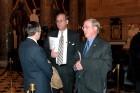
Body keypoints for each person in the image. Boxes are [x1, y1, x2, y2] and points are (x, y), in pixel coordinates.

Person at [44, 13, 81, 93]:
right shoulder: (51, 35)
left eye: (61, 20)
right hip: (54, 69)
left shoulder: (75, 36)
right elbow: (45, 50)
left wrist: (73, 66)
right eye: (57, 21)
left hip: (68, 69)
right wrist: (50, 54)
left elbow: (78, 52)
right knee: (54, 91)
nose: (59, 23)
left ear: (67, 22)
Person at [74, 19, 112, 93]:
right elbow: (75, 59)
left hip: (94, 86)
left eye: (86, 27)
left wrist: (84, 63)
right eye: (83, 27)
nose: (84, 29)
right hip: (80, 85)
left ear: (95, 28)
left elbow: (107, 66)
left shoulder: (104, 45)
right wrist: (75, 66)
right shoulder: (81, 44)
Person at [19, 21, 53, 93]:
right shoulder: (37, 49)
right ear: (37, 32)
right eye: (40, 30)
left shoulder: (22, 45)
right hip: (39, 86)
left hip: (28, 83)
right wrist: (50, 68)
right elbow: (46, 68)